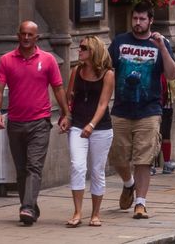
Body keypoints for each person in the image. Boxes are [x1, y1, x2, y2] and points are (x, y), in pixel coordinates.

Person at [108, 4, 175, 221]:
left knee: (143, 159)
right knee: (118, 158)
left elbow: (172, 73)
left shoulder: (160, 44)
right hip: (121, 109)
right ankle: (128, 184)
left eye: (142, 19)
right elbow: (107, 69)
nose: (138, 23)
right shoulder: (120, 42)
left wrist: (162, 48)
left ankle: (140, 203)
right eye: (135, 18)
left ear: (150, 21)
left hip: (149, 110)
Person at [0, 20, 67, 226]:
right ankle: (30, 206)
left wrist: (65, 113)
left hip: (39, 122)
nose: (26, 38)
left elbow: (58, 88)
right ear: (18, 35)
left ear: (37, 38)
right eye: (23, 34)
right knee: (21, 169)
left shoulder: (48, 60)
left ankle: (26, 207)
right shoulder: (6, 60)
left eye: (30, 35)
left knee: (34, 166)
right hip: (15, 122)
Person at [62, 35, 114, 228]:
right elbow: (69, 98)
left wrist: (91, 125)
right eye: (80, 47)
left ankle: (95, 213)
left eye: (83, 47)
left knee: (97, 170)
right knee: (77, 165)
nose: (79, 50)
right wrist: (67, 117)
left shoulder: (108, 74)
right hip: (77, 124)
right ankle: (77, 212)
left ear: (94, 51)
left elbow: (103, 104)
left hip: (100, 127)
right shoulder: (76, 70)